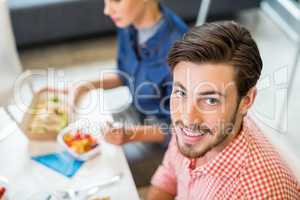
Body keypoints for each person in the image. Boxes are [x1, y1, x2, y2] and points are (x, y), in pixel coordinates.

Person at [148, 21, 300, 199]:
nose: (188, 118)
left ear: (246, 101)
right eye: (181, 92)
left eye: (211, 100)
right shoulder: (191, 129)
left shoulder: (260, 193)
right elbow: (168, 176)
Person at [72, 0, 188, 186]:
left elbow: (180, 130)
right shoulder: (128, 23)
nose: (107, 10)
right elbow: (125, 75)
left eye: (116, 1)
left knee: (96, 168)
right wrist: (85, 85)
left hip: (165, 146)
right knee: (82, 133)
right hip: (135, 114)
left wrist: (130, 134)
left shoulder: (181, 49)